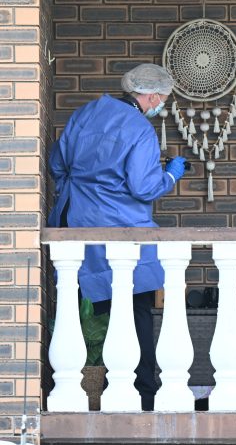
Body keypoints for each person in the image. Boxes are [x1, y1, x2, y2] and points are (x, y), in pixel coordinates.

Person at [47, 63, 188, 411]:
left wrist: (83, 197)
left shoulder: (85, 114)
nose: (161, 106)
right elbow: (143, 187)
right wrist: (170, 175)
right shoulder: (140, 128)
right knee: (135, 307)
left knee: (85, 309)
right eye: (163, 100)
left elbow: (56, 165)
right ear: (152, 96)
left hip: (76, 223)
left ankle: (88, 387)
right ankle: (143, 392)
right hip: (123, 229)